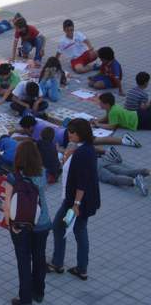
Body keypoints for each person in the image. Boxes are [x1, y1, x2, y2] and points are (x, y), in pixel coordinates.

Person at [47, 119, 100, 281]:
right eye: (68, 131)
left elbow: (82, 181)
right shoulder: (85, 149)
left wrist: (76, 204)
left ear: (81, 133)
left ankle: (58, 263)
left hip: (76, 201)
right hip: (82, 200)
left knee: (59, 227)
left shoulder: (83, 153)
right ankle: (81, 268)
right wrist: (68, 156)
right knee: (79, 231)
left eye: (72, 132)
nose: (69, 134)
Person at [3, 141, 52, 305]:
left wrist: (10, 224)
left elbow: (7, 205)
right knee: (39, 258)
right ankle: (39, 293)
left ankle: (24, 299)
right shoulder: (42, 173)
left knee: (23, 261)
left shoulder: (13, 177)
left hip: (20, 224)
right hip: (42, 221)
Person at [17, 115, 141, 149]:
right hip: (67, 132)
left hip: (67, 138)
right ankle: (123, 140)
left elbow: (32, 140)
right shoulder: (38, 122)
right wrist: (17, 131)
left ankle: (111, 150)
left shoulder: (36, 132)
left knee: (91, 144)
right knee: (94, 140)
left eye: (25, 129)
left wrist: (19, 138)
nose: (25, 131)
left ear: (29, 127)